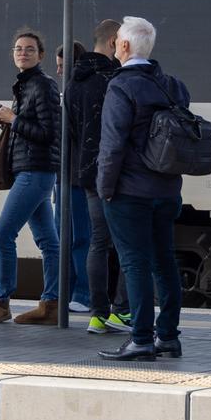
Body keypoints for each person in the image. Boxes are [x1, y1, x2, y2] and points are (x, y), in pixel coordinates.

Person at [95, 16, 189, 361]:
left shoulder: (121, 86)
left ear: (123, 45)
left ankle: (140, 339)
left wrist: (105, 188)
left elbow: (112, 145)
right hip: (167, 190)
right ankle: (168, 337)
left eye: (117, 41)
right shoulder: (173, 86)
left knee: (134, 263)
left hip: (130, 191)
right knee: (164, 262)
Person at [0, 31, 62, 325]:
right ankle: (51, 304)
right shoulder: (26, 85)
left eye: (29, 49)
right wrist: (9, 121)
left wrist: (14, 120)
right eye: (18, 49)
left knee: (3, 235)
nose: (22, 53)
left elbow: (49, 133)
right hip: (33, 170)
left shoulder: (43, 85)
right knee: (48, 241)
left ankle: (1, 301)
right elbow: (31, 128)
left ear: (41, 55)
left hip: (35, 171)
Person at [66, 18, 132, 335]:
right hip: (115, 172)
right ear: (112, 43)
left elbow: (71, 131)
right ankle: (121, 311)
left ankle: (97, 315)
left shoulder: (74, 81)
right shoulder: (113, 79)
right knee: (127, 243)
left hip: (88, 173)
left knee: (98, 242)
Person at [55, 40, 92, 312]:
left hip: (77, 174)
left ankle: (83, 293)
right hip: (65, 173)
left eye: (61, 66)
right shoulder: (68, 91)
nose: (58, 71)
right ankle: (66, 292)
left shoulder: (78, 92)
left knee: (79, 236)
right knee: (65, 236)